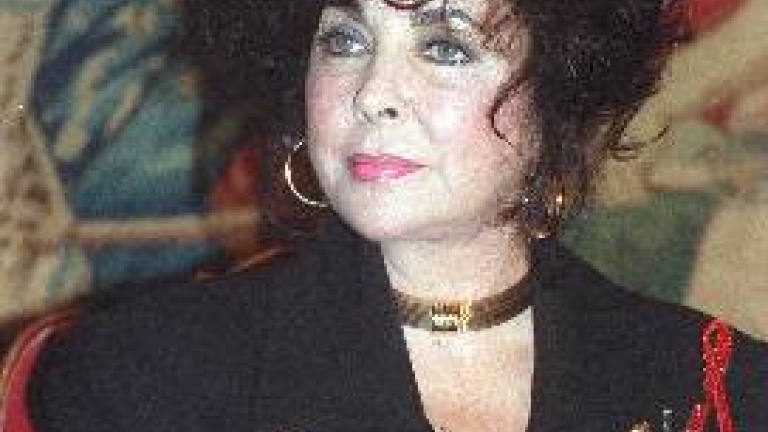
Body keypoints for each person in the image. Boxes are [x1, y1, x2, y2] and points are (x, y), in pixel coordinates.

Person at [18, 0, 768, 431]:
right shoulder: (144, 376)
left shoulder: (716, 387)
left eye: (444, 48)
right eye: (345, 40)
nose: (373, 91)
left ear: (555, 97)